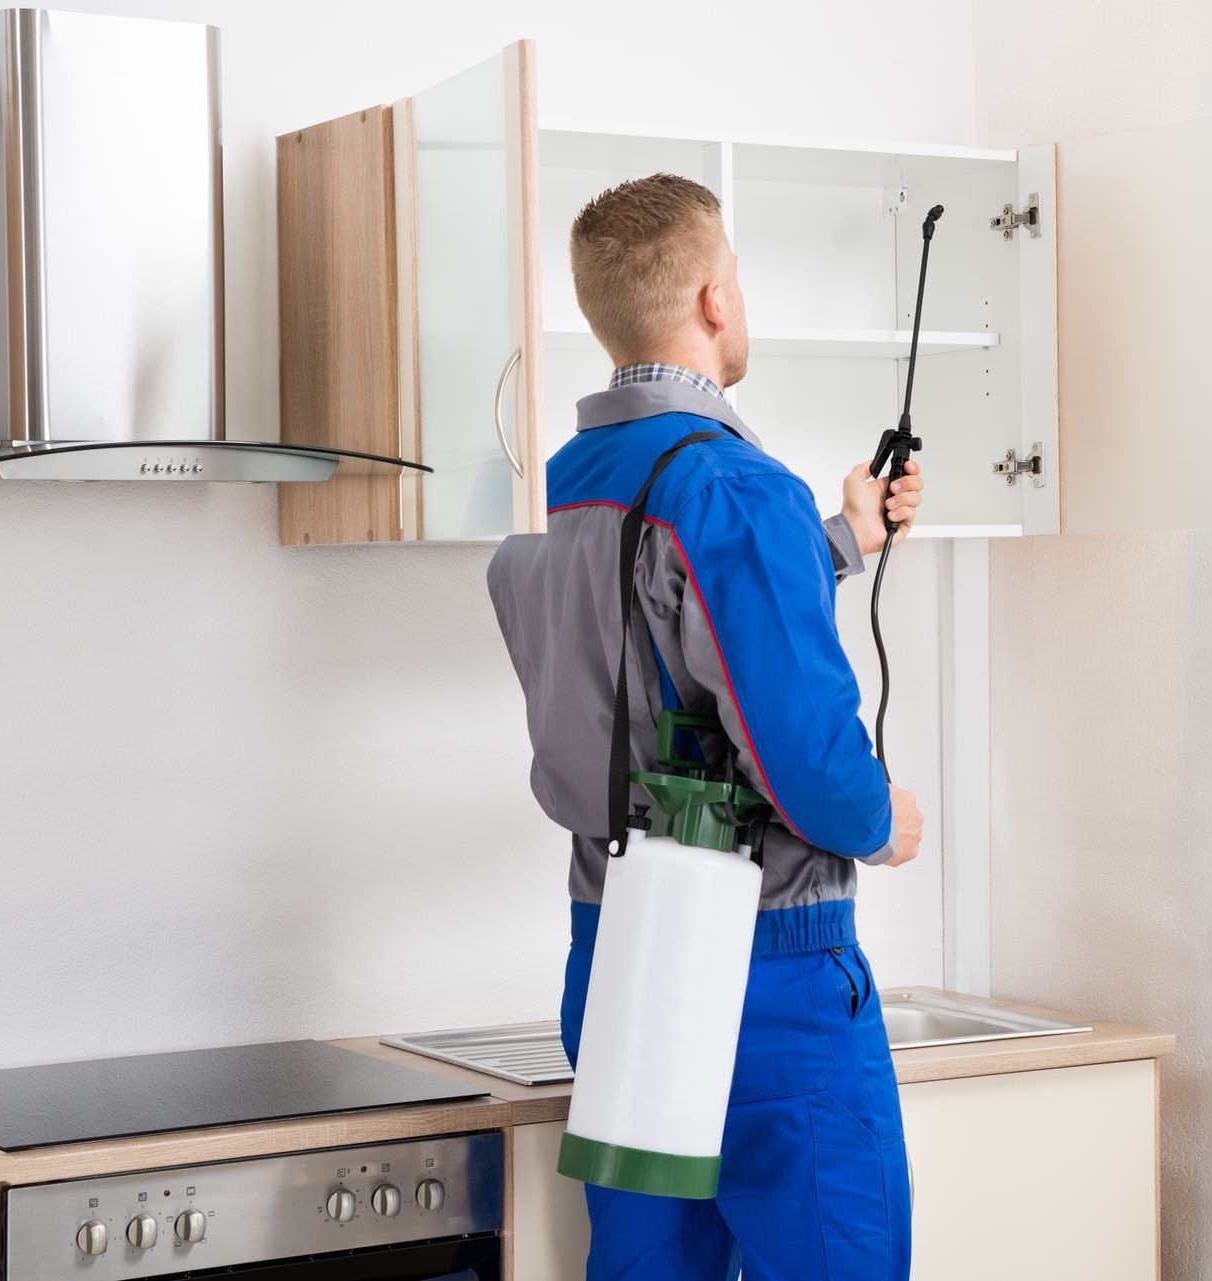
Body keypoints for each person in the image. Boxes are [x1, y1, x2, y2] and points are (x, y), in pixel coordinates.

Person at [486, 172, 925, 1281]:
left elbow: (653, 630)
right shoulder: (736, 490)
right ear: (714, 296)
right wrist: (886, 820)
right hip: (767, 982)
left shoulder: (549, 494)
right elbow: (813, 774)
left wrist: (837, 540)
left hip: (618, 962)